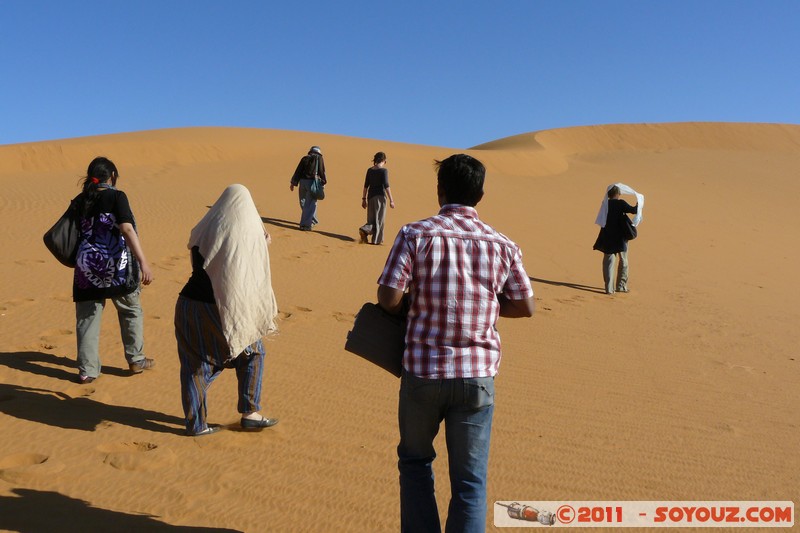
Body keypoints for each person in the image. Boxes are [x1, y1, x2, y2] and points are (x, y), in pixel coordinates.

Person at [376, 154, 535, 532]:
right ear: (481, 194)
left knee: (415, 464)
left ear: (440, 190)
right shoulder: (503, 245)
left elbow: (388, 297)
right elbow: (525, 305)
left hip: (423, 373)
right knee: (470, 482)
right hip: (477, 378)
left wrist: (413, 303)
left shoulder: (415, 234)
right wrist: (484, 305)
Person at [175, 184, 279, 437]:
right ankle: (250, 413)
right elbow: (246, 264)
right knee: (253, 353)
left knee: (194, 365)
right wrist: (262, 242)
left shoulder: (206, 227)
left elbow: (206, 259)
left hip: (188, 303)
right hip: (221, 308)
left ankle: (196, 425)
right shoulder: (247, 233)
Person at [73, 157, 155, 384]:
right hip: (117, 268)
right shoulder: (117, 197)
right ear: (112, 176)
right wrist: (144, 262)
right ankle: (136, 359)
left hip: (86, 269)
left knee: (87, 319)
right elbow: (127, 228)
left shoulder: (81, 200)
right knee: (131, 310)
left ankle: (87, 371)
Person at [592, 184, 640, 294]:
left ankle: (609, 289)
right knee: (623, 261)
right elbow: (633, 210)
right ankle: (621, 286)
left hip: (607, 236)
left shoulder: (605, 204)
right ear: (618, 194)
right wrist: (639, 203)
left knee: (609, 262)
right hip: (621, 237)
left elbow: (601, 219)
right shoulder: (620, 203)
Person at [359, 151, 395, 245]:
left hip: (370, 197)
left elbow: (365, 186)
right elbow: (386, 185)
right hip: (380, 197)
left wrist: (364, 199)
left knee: (371, 219)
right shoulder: (384, 171)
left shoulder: (370, 170)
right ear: (384, 160)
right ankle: (376, 240)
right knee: (379, 219)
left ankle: (365, 230)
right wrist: (391, 200)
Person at [289, 145, 327, 231]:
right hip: (312, 183)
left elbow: (298, 171)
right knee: (310, 204)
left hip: (302, 183)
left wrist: (293, 183)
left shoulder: (304, 158)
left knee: (303, 202)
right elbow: (322, 171)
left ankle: (311, 220)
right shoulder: (319, 158)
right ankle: (306, 225)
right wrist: (323, 182)